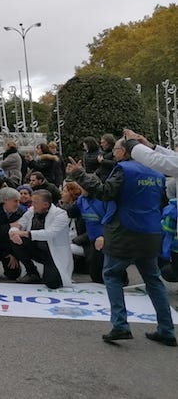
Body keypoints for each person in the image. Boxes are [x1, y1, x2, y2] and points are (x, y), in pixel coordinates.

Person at [70, 135, 175, 346]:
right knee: (153, 280)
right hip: (151, 232)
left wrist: (79, 174)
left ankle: (120, 325)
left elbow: (104, 192)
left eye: (117, 149)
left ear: (125, 152)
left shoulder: (123, 170)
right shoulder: (157, 174)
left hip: (123, 231)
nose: (113, 153)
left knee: (112, 275)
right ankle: (166, 329)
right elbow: (161, 202)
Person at [8, 189, 74, 289]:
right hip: (37, 248)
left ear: (46, 205)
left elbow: (50, 233)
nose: (32, 205)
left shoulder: (61, 215)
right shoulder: (31, 211)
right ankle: (32, 273)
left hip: (53, 253)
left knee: (52, 283)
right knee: (16, 240)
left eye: (35, 202)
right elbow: (20, 223)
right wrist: (13, 232)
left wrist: (25, 233)